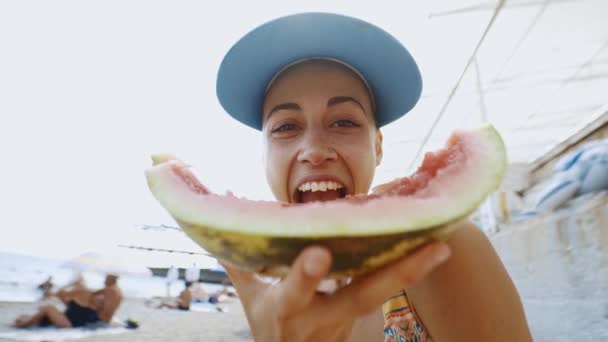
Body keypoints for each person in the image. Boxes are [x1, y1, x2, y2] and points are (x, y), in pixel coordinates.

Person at [214, 12, 533, 341]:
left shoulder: (439, 248)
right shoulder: (279, 306)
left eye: (344, 122)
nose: (313, 150)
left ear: (377, 147)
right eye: (285, 127)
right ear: (264, 155)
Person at [14, 274, 123, 328]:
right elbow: (68, 302)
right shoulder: (92, 295)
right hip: (83, 321)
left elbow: (55, 294)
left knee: (48, 308)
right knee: (41, 312)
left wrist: (69, 285)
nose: (104, 280)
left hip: (72, 324)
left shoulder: (82, 292)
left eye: (106, 278)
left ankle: (23, 325)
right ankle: (24, 321)